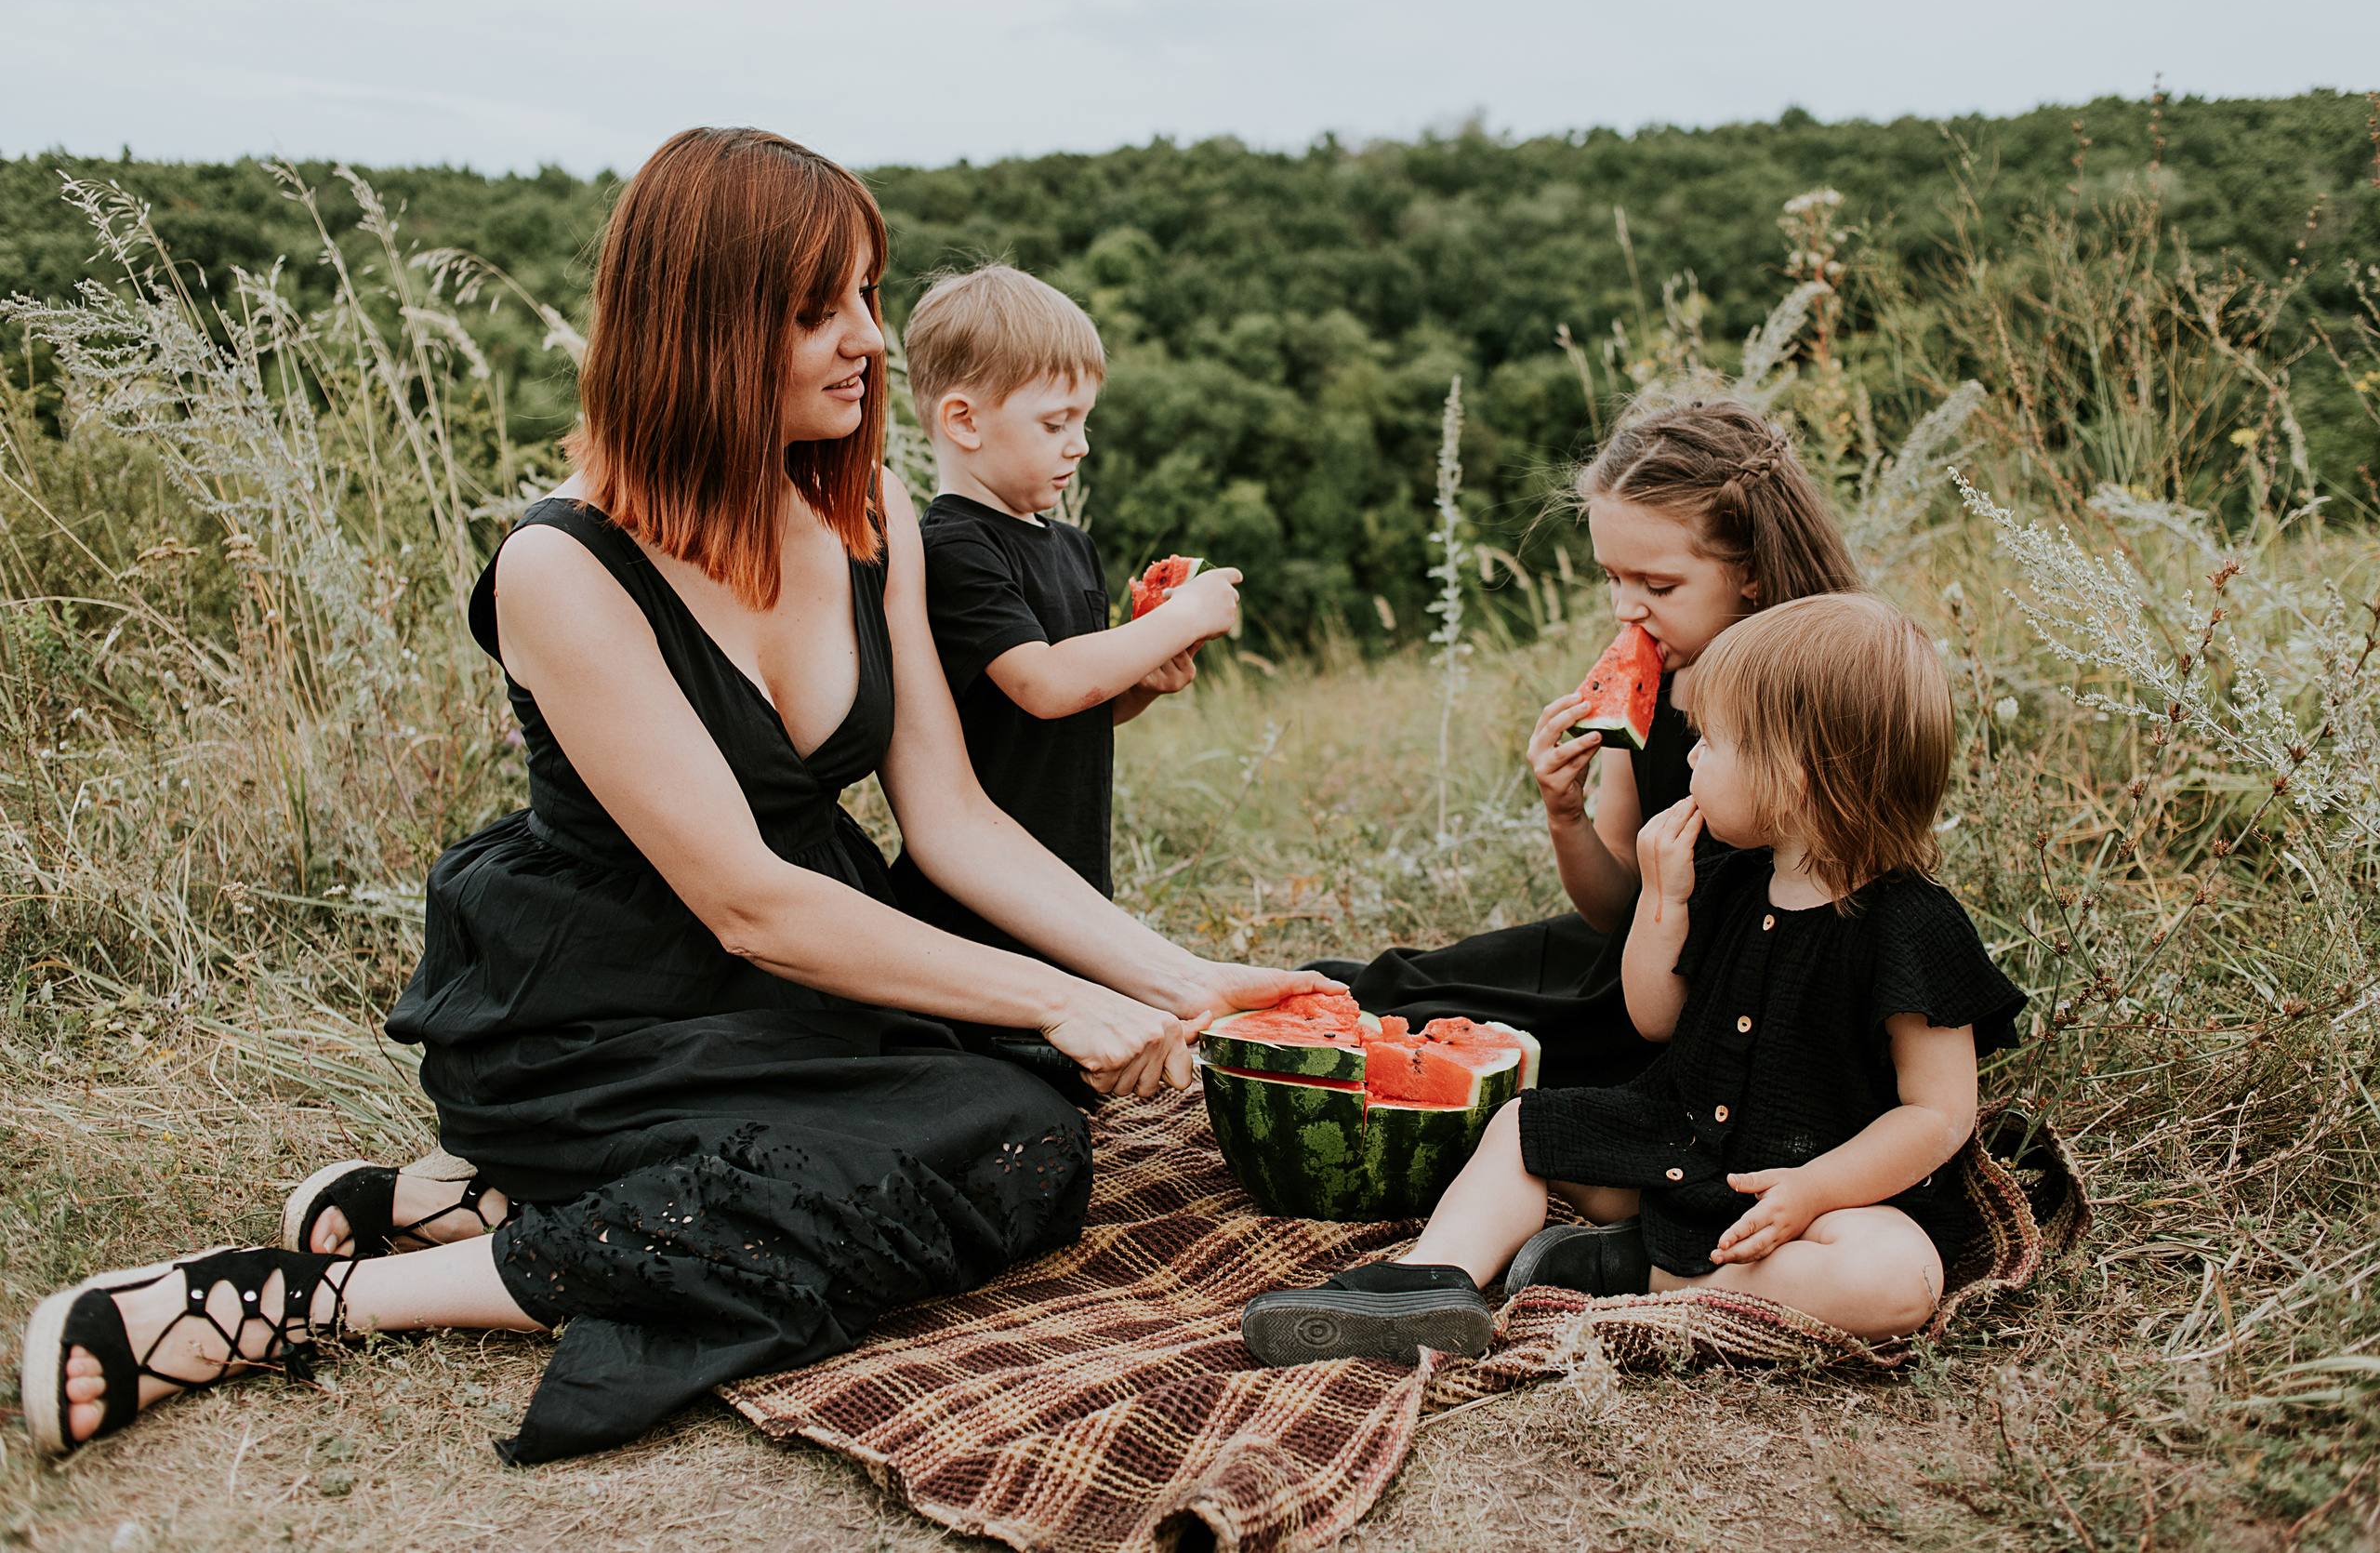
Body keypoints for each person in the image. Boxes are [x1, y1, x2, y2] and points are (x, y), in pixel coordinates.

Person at [22, 127, 1334, 1466]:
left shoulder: (871, 515)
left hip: (797, 980)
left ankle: (468, 1203)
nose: (870, 342)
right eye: (822, 309)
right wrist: (1062, 993)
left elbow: (951, 819)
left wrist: (1187, 979)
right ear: (705, 323)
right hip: (603, 999)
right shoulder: (562, 561)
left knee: (1023, 1119)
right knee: (991, 1130)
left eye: (869, 298)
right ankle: (309, 1298)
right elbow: (748, 897)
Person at [1242, 593, 2026, 1362]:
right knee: (1523, 1127)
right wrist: (1663, 898)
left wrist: (1815, 1189)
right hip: (1679, 1150)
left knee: (1898, 1279)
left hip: (1831, 1200)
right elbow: (1656, 1018)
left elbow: (1938, 1113)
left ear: (1794, 772)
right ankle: (1430, 1279)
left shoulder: (1912, 926)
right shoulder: (1727, 877)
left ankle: (1635, 1272)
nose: (1689, 757)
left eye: (1712, 742)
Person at [1305, 394, 1862, 1088]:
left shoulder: (1822, 701)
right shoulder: (1653, 685)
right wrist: (1564, 813)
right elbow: (1609, 910)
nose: (1625, 608)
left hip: (1697, 1001)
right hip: (1616, 955)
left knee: (1466, 1047)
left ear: (1750, 571)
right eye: (1611, 577)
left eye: (1658, 584)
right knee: (1381, 986)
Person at [884, 264, 1238, 962]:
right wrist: (1178, 617)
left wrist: (1138, 681)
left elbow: (1077, 709)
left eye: (1083, 420)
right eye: (1055, 423)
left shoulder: (1073, 547)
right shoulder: (953, 547)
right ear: (964, 420)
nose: (1079, 444)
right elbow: (1043, 686)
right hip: (975, 903)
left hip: (1069, 886)